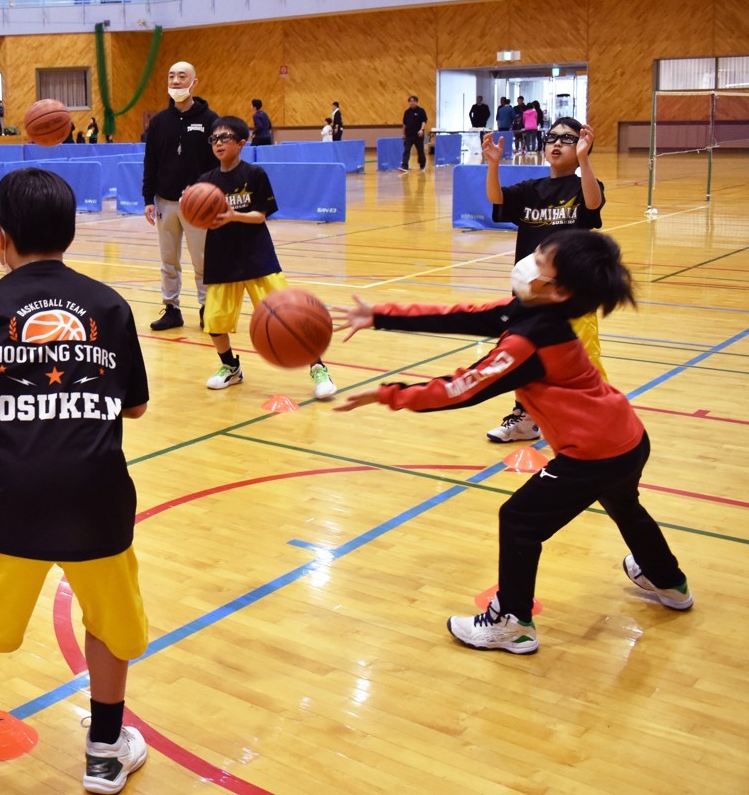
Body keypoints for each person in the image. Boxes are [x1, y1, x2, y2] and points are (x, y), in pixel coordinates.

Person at [0, 168, 150, 792]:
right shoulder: (109, 306)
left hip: (6, 494)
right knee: (107, 618)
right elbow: (136, 407)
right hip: (96, 496)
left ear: (0, 235)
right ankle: (104, 750)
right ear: (70, 232)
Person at [333, 229, 692, 654]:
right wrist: (380, 315)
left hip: (593, 454)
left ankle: (512, 623)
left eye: (539, 262)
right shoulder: (530, 309)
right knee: (624, 506)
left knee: (520, 519)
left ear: (559, 290)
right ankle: (668, 581)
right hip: (626, 437)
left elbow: (463, 389)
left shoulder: (530, 340)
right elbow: (463, 315)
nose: (528, 263)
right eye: (537, 252)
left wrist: (389, 393)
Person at [484, 117, 605, 443]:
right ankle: (526, 419)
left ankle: (592, 422)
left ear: (582, 145)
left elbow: (593, 203)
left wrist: (584, 160)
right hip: (531, 295)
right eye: (552, 137)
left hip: (572, 295)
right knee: (524, 355)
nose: (557, 143)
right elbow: (497, 199)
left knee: (581, 361)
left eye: (567, 139)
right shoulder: (531, 189)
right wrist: (493, 165)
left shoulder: (583, 187)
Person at [197, 117, 337, 399]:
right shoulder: (206, 182)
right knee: (214, 321)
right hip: (221, 258)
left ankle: (318, 368)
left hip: (257, 256)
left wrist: (233, 216)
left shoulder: (254, 174)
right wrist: (193, 207)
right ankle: (231, 368)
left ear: (241, 143)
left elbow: (260, 215)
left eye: (225, 138)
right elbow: (200, 216)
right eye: (214, 139)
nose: (219, 143)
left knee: (289, 317)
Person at [141, 60, 219, 331]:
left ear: (194, 82)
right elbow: (150, 162)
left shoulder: (210, 120)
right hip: (165, 202)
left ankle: (207, 308)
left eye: (181, 76)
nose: (175, 81)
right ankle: (172, 309)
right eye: (171, 76)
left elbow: (218, 163)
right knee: (168, 261)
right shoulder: (158, 122)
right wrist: (148, 199)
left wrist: (202, 190)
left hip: (199, 204)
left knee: (203, 261)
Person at [401, 95, 429, 171]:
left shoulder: (421, 111)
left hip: (418, 135)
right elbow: (404, 124)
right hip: (409, 135)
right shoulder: (407, 112)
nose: (412, 102)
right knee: (406, 150)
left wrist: (421, 130)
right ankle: (404, 166)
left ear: (416, 102)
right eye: (410, 101)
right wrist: (403, 133)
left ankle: (422, 165)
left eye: (413, 101)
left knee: (420, 151)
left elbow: (424, 121)